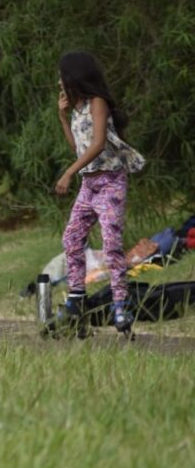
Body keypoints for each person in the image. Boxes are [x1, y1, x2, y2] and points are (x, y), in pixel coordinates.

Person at [54, 51, 145, 335]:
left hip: (109, 182)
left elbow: (97, 144)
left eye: (61, 76)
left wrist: (69, 172)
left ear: (74, 77)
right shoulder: (79, 108)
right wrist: (62, 116)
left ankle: (120, 304)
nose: (58, 82)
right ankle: (77, 295)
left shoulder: (98, 103)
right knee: (71, 237)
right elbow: (78, 149)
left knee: (111, 242)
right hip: (89, 184)